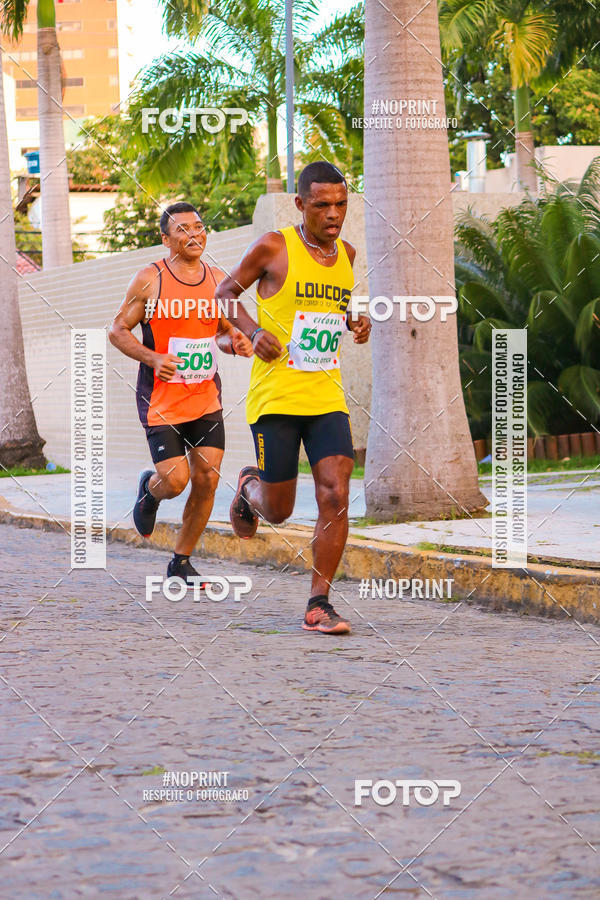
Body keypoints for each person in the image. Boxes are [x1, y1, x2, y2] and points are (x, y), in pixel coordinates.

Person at [215, 162, 371, 634]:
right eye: (322, 204)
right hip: (276, 396)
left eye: (341, 204)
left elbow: (332, 305)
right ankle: (248, 487)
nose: (333, 214)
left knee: (336, 491)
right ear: (300, 204)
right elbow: (223, 294)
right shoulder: (274, 246)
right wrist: (252, 328)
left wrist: (354, 320)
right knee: (279, 510)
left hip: (325, 393)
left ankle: (319, 602)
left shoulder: (346, 252)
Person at [109, 201, 253, 584]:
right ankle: (151, 491)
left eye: (199, 227)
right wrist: (153, 358)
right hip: (162, 400)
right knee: (176, 481)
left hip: (205, 396)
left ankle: (181, 561)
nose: (194, 234)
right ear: (166, 239)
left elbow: (222, 331)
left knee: (207, 477)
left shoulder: (218, 280)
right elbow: (117, 330)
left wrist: (233, 341)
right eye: (183, 229)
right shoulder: (149, 280)